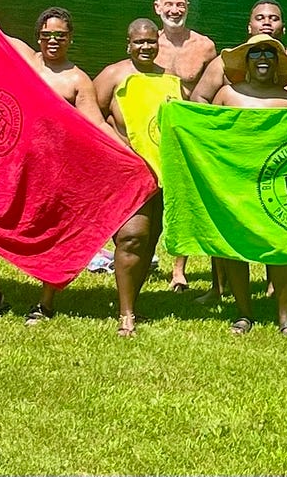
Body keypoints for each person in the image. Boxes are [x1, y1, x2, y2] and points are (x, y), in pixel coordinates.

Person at [0, 8, 115, 326]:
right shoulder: (24, 58)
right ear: (38, 36)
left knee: (53, 234)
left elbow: (96, 123)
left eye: (60, 36)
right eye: (48, 35)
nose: (53, 40)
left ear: (70, 38)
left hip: (54, 170)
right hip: (11, 162)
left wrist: (133, 156)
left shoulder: (78, 80)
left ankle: (45, 303)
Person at [97, 19, 186, 336]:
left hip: (161, 173)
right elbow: (90, 114)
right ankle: (127, 315)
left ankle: (131, 298)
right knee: (132, 235)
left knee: (150, 237)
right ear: (128, 43)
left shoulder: (171, 81)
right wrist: (119, 146)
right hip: (125, 171)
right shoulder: (114, 75)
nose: (145, 47)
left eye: (151, 42)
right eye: (139, 42)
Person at [211, 34, 287, 335]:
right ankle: (243, 313)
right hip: (235, 183)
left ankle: (285, 317)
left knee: (280, 249)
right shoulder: (226, 95)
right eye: (255, 53)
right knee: (237, 248)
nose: (262, 57)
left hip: (275, 185)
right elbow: (209, 134)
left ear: (277, 62)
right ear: (246, 61)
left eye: (269, 52)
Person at [152, 0, 218, 293]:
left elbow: (213, 89)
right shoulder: (148, 42)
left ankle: (179, 269)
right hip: (154, 126)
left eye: (180, 5)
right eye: (169, 4)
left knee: (183, 196)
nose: (174, 10)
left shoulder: (204, 46)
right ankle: (146, 254)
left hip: (189, 127)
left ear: (188, 8)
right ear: (157, 8)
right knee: (150, 193)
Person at [190, 0, 287, 104]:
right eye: (260, 18)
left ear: (284, 28)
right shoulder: (222, 63)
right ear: (249, 27)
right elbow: (199, 99)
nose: (267, 23)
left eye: (274, 19)